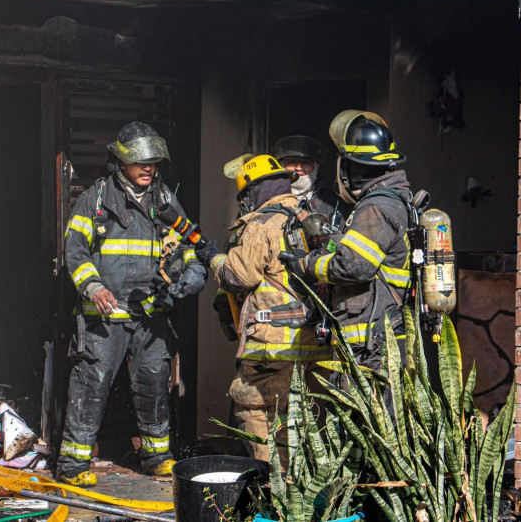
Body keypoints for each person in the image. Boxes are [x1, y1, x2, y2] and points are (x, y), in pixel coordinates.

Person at [57, 121, 207, 485]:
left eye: (153, 162)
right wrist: (94, 288)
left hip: (150, 316)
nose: (148, 169)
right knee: (91, 385)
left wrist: (191, 274)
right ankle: (73, 466)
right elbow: (74, 252)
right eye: (141, 162)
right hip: (103, 318)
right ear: (120, 162)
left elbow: (188, 246)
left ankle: (156, 457)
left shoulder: (165, 199)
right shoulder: (95, 199)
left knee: (154, 384)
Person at [195, 154, 332, 465]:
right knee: (307, 418)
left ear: (252, 193)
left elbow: (238, 277)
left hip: (274, 345)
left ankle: (274, 489)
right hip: (315, 343)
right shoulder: (308, 215)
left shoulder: (262, 223)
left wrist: (214, 257)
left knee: (255, 409)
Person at [288, 111, 413, 370]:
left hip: (372, 352)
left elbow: (352, 265)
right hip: (371, 346)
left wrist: (305, 265)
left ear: (350, 166)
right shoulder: (384, 203)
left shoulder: (377, 207)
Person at [271, 134, 345, 224]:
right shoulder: (271, 200)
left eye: (306, 163)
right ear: (282, 166)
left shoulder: (333, 204)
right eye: (292, 162)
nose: (298, 168)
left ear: (316, 167)